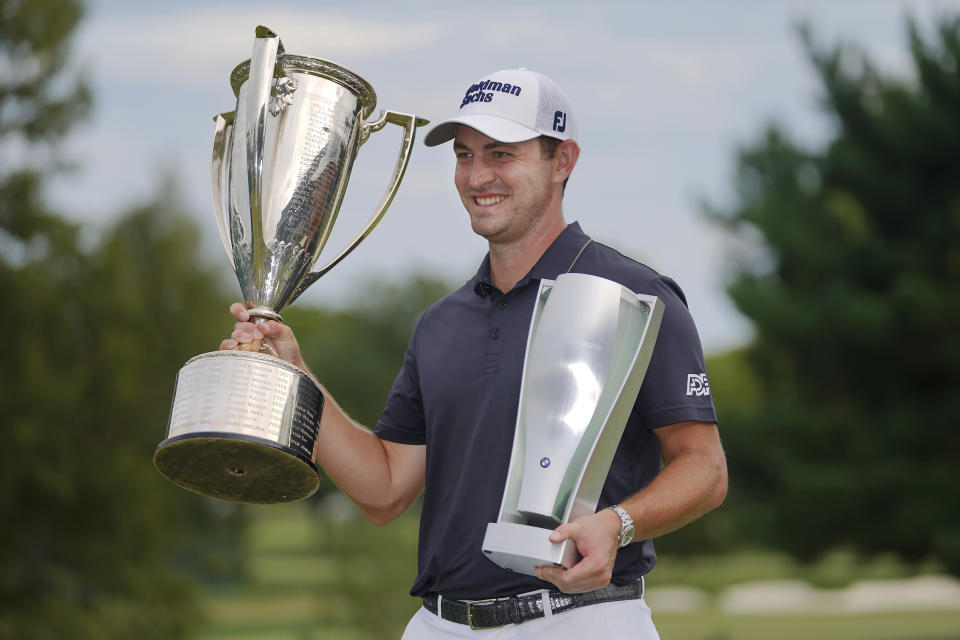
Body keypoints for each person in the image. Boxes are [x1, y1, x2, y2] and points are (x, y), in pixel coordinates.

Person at [221, 67, 727, 639]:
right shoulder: (441, 324)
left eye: (501, 155)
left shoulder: (633, 297)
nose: (477, 176)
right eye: (464, 156)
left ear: (562, 162)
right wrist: (296, 374)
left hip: (580, 621)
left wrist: (619, 524)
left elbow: (705, 469)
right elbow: (384, 491)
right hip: (440, 626)